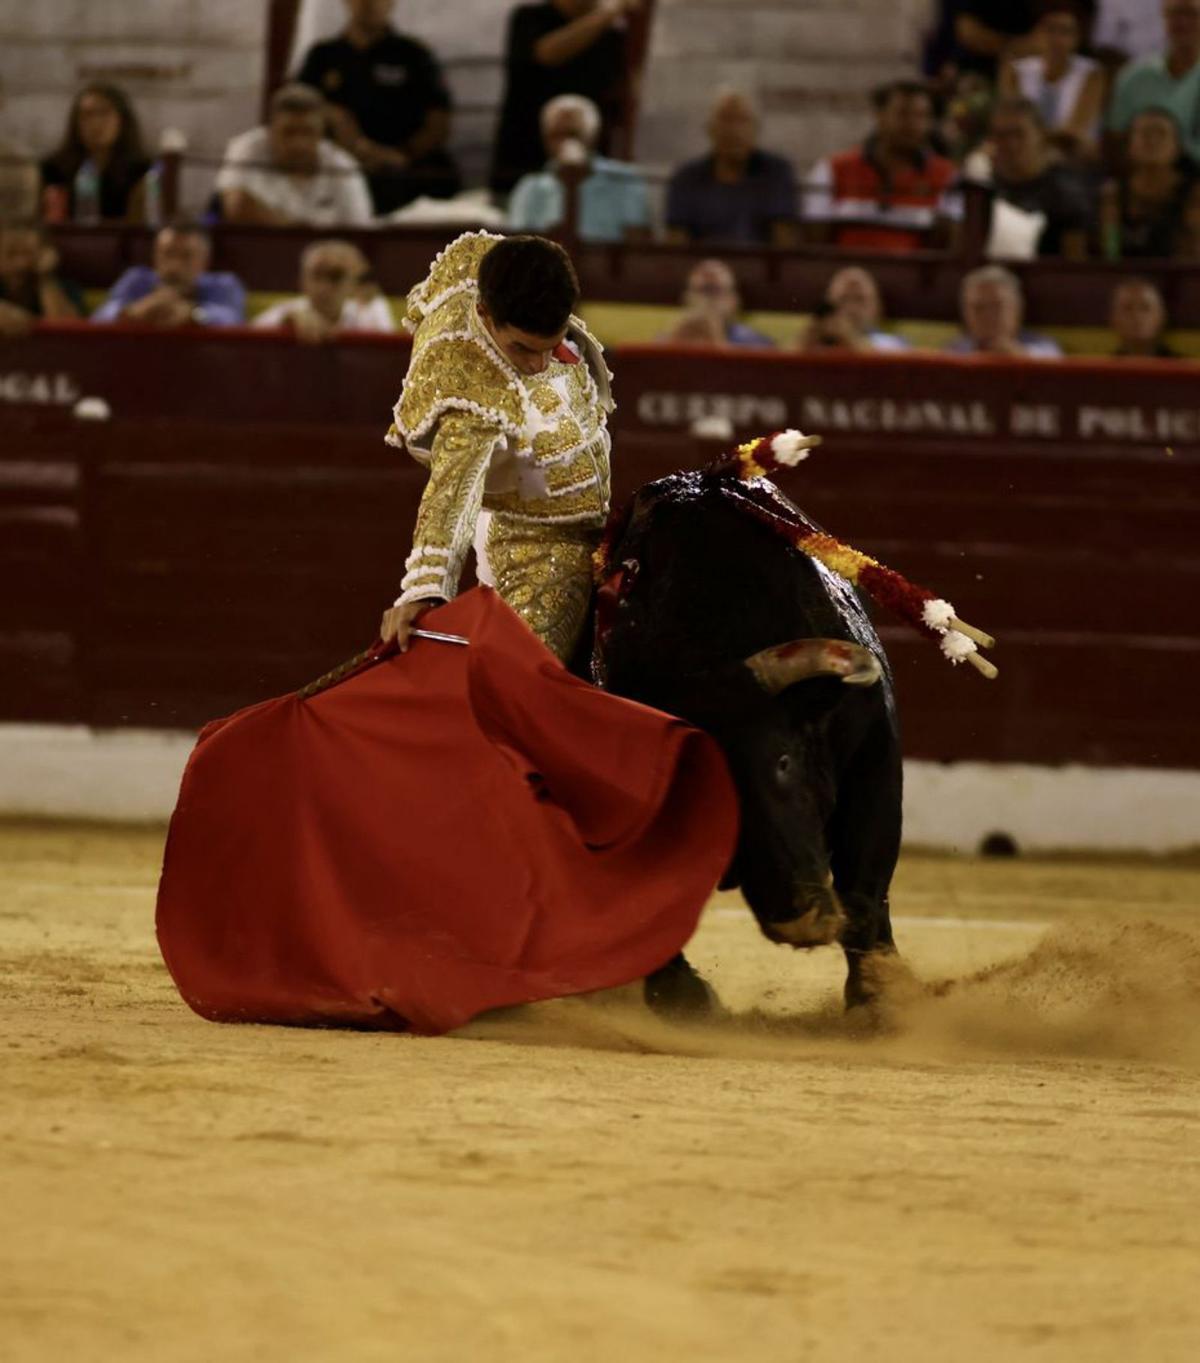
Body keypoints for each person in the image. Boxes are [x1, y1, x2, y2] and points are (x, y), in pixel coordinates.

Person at [379, 232, 613, 664]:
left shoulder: (502, 271)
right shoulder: (469, 382)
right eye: (522, 348)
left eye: (553, 343)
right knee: (525, 682)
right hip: (533, 541)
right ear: (484, 314)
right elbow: (453, 488)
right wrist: (424, 590)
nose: (539, 364)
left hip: (593, 525)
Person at [294, 0, 460, 214]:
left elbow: (439, 121)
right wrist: (338, 122)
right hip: (341, 168)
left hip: (405, 167)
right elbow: (297, 109)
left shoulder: (414, 54)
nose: (369, 3)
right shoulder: (322, 55)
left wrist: (401, 155)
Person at [490, 0, 637, 194]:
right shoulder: (529, 18)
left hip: (587, 174)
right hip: (524, 160)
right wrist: (608, 13)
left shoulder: (610, 35)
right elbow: (546, 53)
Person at [804, 81, 961, 253]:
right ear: (879, 115)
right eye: (903, 114)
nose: (913, 124)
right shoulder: (832, 169)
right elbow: (814, 242)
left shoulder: (947, 176)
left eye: (921, 116)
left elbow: (953, 246)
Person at [216, 83, 374, 227]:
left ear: (321, 133)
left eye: (308, 132)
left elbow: (359, 229)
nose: (298, 143)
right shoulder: (247, 148)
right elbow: (235, 207)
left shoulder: (343, 165)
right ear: (270, 130)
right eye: (289, 132)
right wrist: (299, 229)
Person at [507, 94, 650, 242]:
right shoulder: (529, 187)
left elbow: (638, 244)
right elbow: (517, 243)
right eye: (556, 134)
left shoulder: (625, 180)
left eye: (573, 134)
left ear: (593, 135)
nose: (564, 142)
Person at [665, 90, 797, 246]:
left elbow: (785, 243)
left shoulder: (777, 173)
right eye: (726, 120)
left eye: (742, 120)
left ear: (756, 129)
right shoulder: (686, 177)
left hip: (759, 267)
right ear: (709, 129)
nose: (734, 131)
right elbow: (675, 244)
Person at [985, 97, 1094, 257]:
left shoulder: (1066, 194)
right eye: (1001, 135)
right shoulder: (980, 185)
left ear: (1040, 134)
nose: (1010, 144)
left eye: (1019, 134)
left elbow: (1075, 267)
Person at [998, 1, 1105, 158]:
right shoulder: (1016, 71)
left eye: (1065, 32)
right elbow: (1011, 124)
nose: (1056, 39)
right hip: (1025, 157)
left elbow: (1073, 134)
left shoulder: (1092, 74)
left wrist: (1031, 137)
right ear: (1036, 35)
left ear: (1077, 39)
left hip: (1072, 158)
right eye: (1050, 30)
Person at [92, 223, 245, 327]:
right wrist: (132, 312)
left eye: (186, 256)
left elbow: (233, 320)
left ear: (204, 261)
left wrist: (191, 315)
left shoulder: (224, 284)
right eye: (167, 254)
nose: (174, 266)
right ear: (155, 256)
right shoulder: (136, 279)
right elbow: (99, 318)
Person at [40, 83, 151, 223]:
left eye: (104, 113)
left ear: (122, 120)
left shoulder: (142, 170)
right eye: (87, 115)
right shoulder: (53, 169)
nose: (96, 123)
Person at [1108, 0, 1200, 164]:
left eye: (1191, 13)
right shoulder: (1135, 76)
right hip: (1145, 176)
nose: (1183, 22)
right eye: (1175, 14)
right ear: (1163, 18)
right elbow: (1116, 137)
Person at [253, 238, 394, 341]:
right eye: (316, 275)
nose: (324, 287)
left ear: (353, 283)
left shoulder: (369, 312)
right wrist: (286, 327)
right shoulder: (287, 314)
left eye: (335, 276)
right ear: (302, 281)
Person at [1108, 106, 1196, 257]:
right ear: (1129, 144)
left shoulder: (1194, 193)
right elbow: (1110, 253)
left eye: (1161, 133)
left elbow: (1193, 256)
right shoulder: (1112, 192)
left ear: (1178, 147)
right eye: (1144, 133)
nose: (1152, 141)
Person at [944, 264, 1062, 356]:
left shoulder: (1045, 348)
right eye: (978, 307)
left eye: (997, 306)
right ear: (965, 312)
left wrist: (1016, 356)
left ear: (1017, 308)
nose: (987, 316)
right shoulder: (953, 352)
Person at [657, 258, 775, 348]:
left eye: (715, 292)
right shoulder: (665, 342)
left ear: (734, 302)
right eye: (702, 292)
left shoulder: (756, 344)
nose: (707, 303)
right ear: (686, 300)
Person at [0, 220, 84, 336]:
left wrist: (46, 277)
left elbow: (69, 333)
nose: (22, 263)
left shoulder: (66, 288)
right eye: (12, 254)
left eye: (29, 253)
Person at [823, 266, 910, 351]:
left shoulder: (894, 345)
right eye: (844, 300)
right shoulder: (816, 348)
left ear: (877, 307)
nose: (852, 309)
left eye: (859, 299)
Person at [1108, 276, 1178, 355]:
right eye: (1127, 308)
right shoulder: (1100, 366)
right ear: (1113, 318)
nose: (1136, 316)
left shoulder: (1183, 366)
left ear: (1161, 317)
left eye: (1145, 308)